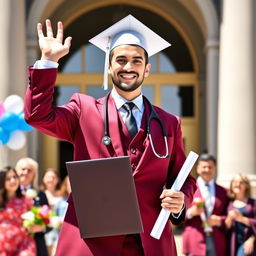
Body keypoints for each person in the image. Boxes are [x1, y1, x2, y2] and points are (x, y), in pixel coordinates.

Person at [24, 15, 197, 256]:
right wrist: (48, 62)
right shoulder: (83, 110)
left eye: (137, 60)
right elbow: (37, 116)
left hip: (149, 244)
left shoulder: (169, 123)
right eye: (121, 60)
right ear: (108, 65)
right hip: (91, 244)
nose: (128, 67)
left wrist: (181, 201)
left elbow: (186, 179)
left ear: (147, 68)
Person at [182, 154, 229, 256]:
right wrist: (190, 213)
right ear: (198, 168)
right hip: (194, 240)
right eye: (204, 167)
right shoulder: (187, 189)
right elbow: (175, 216)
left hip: (217, 241)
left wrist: (219, 220)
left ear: (215, 169)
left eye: (210, 167)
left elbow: (229, 216)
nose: (207, 170)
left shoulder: (224, 192)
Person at [15, 157, 49, 256]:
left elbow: (50, 220)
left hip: (37, 244)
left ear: (34, 174)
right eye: (22, 169)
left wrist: (41, 227)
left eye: (29, 170)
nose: (25, 172)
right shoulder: (9, 193)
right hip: (14, 244)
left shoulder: (41, 194)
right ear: (16, 172)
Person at [0, 166, 36, 255]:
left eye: (14, 177)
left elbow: (38, 222)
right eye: (8, 178)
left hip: (24, 245)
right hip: (3, 246)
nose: (13, 180)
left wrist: (37, 227)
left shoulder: (27, 200)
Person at [225, 173, 256, 256]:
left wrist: (252, 239)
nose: (237, 184)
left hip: (247, 242)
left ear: (246, 186)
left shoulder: (253, 203)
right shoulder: (228, 203)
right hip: (232, 243)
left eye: (241, 182)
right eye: (235, 182)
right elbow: (225, 227)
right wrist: (229, 219)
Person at [40, 168, 63, 256]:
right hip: (44, 232)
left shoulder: (63, 195)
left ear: (57, 180)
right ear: (43, 179)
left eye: (53, 177)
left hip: (59, 233)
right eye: (48, 177)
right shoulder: (39, 195)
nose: (51, 179)